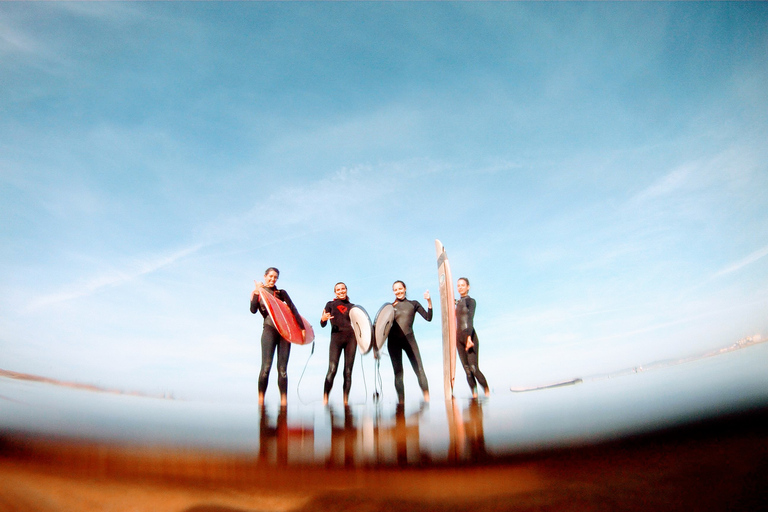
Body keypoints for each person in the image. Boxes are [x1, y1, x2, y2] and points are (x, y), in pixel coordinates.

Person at [250, 267, 305, 406]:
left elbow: (293, 308)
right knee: (266, 367)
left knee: (282, 370)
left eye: (275, 277)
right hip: (269, 329)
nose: (272, 279)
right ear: (265, 276)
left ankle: (284, 402)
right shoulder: (260, 292)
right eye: (270, 276)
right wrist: (256, 292)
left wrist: (302, 328)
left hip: (285, 332)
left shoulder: (281, 293)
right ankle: (261, 400)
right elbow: (253, 310)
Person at [387, 280, 432, 403]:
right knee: (398, 373)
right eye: (395, 289)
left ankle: (427, 399)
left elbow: (428, 318)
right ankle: (401, 403)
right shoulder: (390, 307)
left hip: (409, 340)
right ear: (393, 291)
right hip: (393, 342)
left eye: (400, 288)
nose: (398, 291)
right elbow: (381, 327)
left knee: (419, 369)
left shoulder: (414, 304)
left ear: (405, 288)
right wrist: (375, 346)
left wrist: (429, 301)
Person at [320, 282, 357, 406]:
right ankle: (325, 398)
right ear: (335, 292)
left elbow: (361, 325)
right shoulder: (330, 304)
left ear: (346, 290)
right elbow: (323, 323)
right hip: (336, 338)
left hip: (351, 339)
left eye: (343, 289)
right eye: (338, 290)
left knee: (348, 371)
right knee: (332, 369)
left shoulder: (353, 307)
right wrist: (323, 319)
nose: (341, 291)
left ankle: (345, 401)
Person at [455, 277, 489, 398]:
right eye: (458, 285)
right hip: (458, 339)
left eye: (462, 285)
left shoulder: (471, 301)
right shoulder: (457, 303)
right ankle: (474, 396)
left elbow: (470, 319)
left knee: (474, 368)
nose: (460, 287)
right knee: (467, 370)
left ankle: (487, 393)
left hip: (470, 337)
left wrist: (469, 337)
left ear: (468, 287)